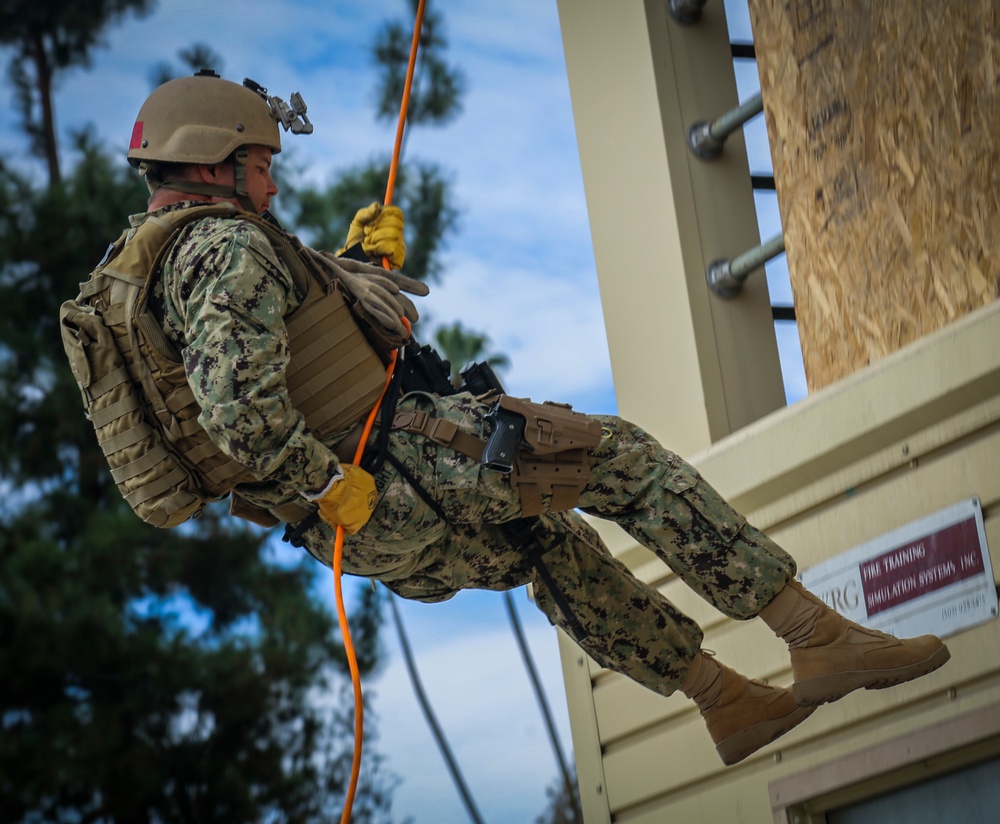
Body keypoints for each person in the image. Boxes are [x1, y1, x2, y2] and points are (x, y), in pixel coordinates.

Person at [89, 71, 951, 767]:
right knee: (622, 460)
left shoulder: (156, 263)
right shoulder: (225, 247)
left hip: (356, 526)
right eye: (260, 164)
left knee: (549, 545)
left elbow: (268, 371)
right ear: (213, 163)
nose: (272, 183)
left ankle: (725, 703)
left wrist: (351, 272)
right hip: (383, 479)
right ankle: (817, 636)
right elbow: (241, 409)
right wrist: (328, 485)